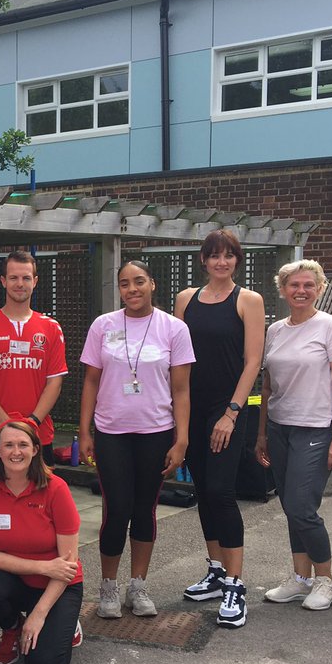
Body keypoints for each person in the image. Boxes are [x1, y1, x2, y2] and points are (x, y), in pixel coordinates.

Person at [79, 260, 194, 619]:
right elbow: (91, 382)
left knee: (145, 509)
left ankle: (138, 585)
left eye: (139, 281)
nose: (132, 289)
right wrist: (84, 431)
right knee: (117, 510)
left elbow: (181, 388)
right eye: (125, 284)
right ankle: (109, 586)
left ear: (152, 284)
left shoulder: (174, 328)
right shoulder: (103, 326)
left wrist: (182, 439)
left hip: (156, 431)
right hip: (111, 431)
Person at [174, 230, 265, 629]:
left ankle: (235, 583)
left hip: (226, 409)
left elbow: (253, 361)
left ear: (236, 260)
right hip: (190, 408)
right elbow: (177, 357)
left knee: (221, 492)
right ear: (203, 260)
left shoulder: (248, 300)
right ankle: (215, 570)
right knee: (203, 492)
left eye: (228, 256)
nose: (221, 262)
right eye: (214, 256)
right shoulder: (185, 299)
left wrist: (231, 413)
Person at [256, 259, 332, 612]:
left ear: (320, 289)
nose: (300, 291)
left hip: (316, 427)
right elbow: (268, 386)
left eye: (308, 285)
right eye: (293, 285)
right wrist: (262, 434)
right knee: (291, 506)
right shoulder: (275, 331)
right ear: (282, 290)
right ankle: (300, 579)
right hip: (280, 426)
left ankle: (326, 581)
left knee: (301, 505)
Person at [0, 419, 83, 664]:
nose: (15, 451)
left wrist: (39, 615)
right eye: (8, 445)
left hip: (58, 584)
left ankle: (64, 621)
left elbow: (67, 565)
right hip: (17, 581)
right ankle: (13, 627)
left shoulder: (56, 488)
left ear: (35, 449)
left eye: (22, 444)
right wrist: (42, 566)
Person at [0, 250, 68, 473]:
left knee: (39, 504)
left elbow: (54, 382)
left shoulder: (51, 328)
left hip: (38, 435)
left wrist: (33, 421)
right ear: (3, 281)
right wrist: (5, 423)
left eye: (26, 278)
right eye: (14, 277)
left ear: (35, 282)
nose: (20, 283)